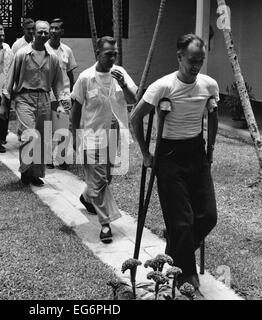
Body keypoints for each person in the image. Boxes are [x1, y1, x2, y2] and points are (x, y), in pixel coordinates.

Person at [131, 34, 219, 298]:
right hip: (168, 155)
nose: (196, 66)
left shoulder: (209, 85)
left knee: (208, 216)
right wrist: (146, 154)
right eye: (192, 60)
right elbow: (135, 117)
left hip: (196, 151)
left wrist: (210, 150)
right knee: (182, 222)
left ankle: (171, 252)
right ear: (179, 57)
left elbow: (213, 117)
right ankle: (186, 274)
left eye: (200, 61)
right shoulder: (163, 87)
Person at [71, 36, 138, 244]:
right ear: (98, 54)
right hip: (92, 134)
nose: (112, 58)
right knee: (99, 179)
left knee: (105, 177)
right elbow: (76, 109)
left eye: (114, 54)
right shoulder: (85, 77)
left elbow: (133, 100)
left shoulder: (121, 74)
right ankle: (106, 224)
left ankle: (86, 196)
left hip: (113, 133)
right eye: (108, 54)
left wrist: (124, 84)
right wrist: (74, 135)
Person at [0, 20, 64, 187]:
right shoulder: (22, 54)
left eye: (46, 32)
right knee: (29, 135)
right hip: (24, 99)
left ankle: (35, 174)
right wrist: (4, 103)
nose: (43, 35)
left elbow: (58, 82)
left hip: (44, 99)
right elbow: (10, 79)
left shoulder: (53, 58)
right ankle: (25, 171)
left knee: (42, 139)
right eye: (40, 32)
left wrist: (60, 103)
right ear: (33, 33)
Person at [45, 18, 77, 170]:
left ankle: (62, 157)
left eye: (57, 28)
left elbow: (70, 74)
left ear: (62, 31)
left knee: (64, 126)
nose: (53, 31)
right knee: (49, 126)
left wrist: (72, 93)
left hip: (64, 94)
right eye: (51, 28)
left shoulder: (67, 50)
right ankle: (47, 157)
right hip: (47, 93)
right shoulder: (43, 49)